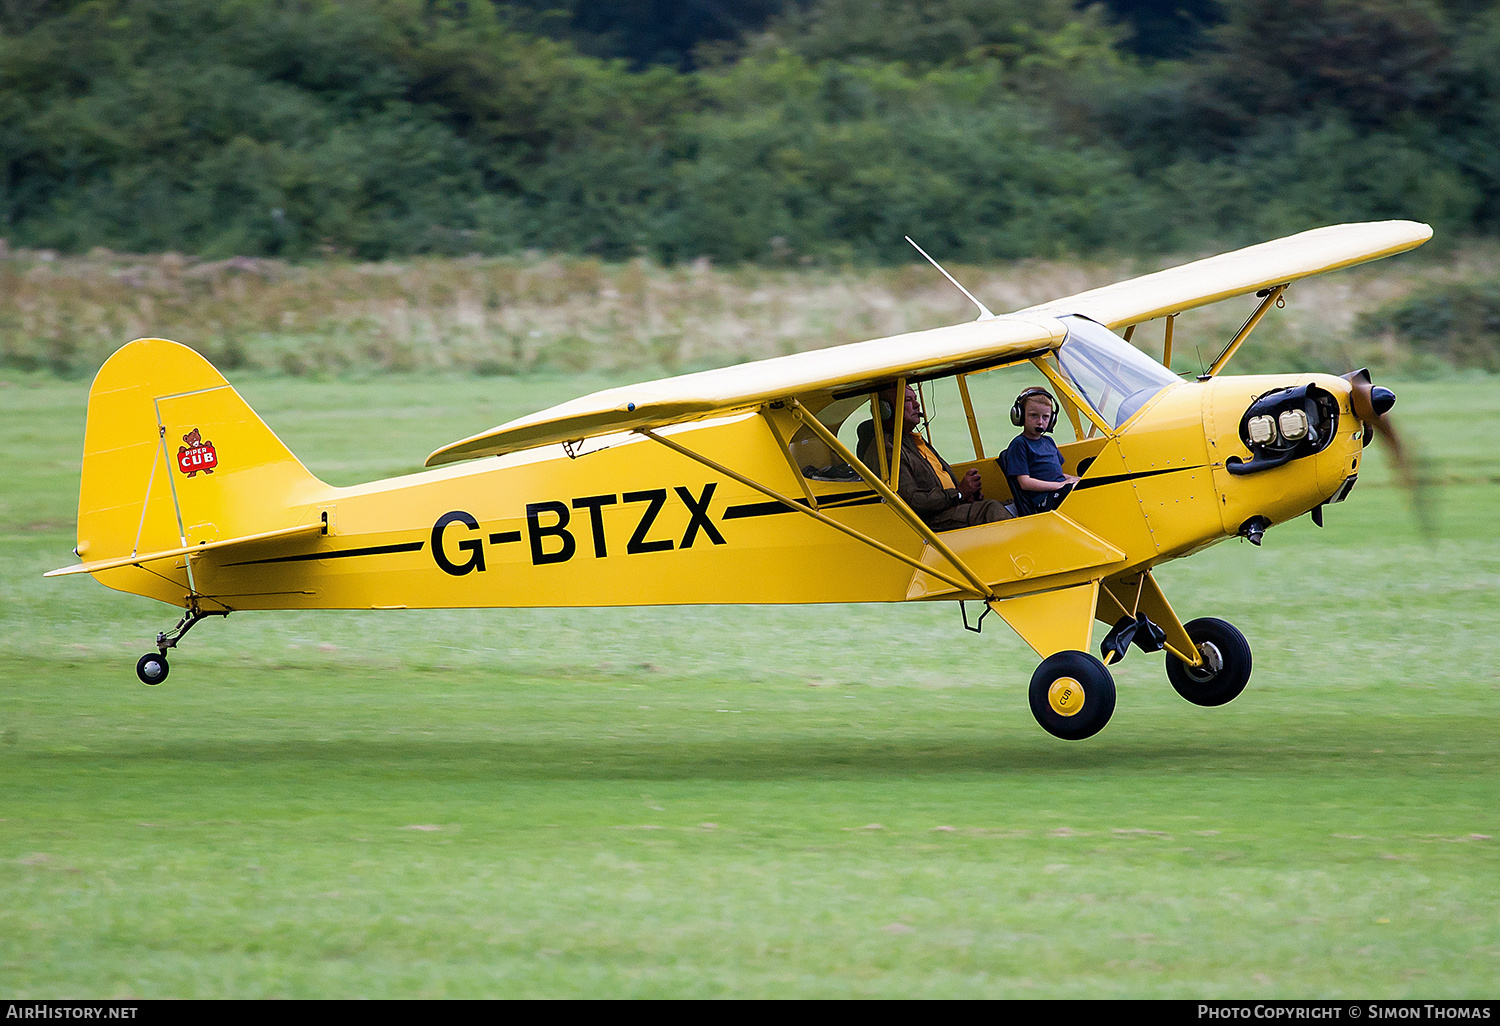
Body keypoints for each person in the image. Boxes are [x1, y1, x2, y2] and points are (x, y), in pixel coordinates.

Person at [857, 384, 1011, 530]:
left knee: (1013, 505)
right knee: (990, 509)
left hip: (946, 508)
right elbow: (912, 501)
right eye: (908, 400)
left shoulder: (913, 440)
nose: (917, 405)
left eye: (915, 399)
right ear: (886, 409)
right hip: (927, 523)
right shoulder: (886, 449)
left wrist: (964, 496)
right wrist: (958, 494)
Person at [1000, 388, 1079, 515]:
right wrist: (1061, 486)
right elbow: (1025, 482)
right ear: (1020, 415)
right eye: (1033, 415)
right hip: (1043, 501)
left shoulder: (1049, 441)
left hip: (1059, 492)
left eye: (1045, 417)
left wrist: (1078, 479)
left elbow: (1057, 474)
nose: (1040, 421)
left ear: (1052, 419)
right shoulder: (1019, 444)